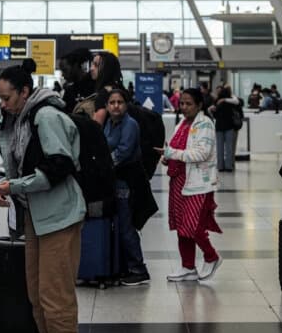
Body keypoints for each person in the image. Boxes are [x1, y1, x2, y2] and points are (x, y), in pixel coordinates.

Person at [0, 58, 86, 333]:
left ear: (25, 91)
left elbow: (59, 165)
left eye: (7, 97)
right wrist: (10, 189)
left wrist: (14, 187)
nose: (3, 104)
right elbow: (22, 167)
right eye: (0, 98)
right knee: (36, 289)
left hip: (60, 214)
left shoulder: (45, 116)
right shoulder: (20, 119)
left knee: (55, 290)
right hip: (37, 214)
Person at [159, 89, 222, 282]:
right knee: (181, 227)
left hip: (198, 184)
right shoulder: (182, 123)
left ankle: (211, 256)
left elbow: (200, 154)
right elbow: (175, 148)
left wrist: (172, 154)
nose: (184, 107)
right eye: (182, 104)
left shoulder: (205, 124)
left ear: (199, 105)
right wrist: (166, 157)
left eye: (189, 104)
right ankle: (188, 267)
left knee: (193, 226)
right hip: (179, 181)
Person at [102, 88, 150, 286]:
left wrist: (103, 165)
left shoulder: (130, 124)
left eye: (120, 102)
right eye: (112, 102)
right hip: (115, 181)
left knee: (126, 227)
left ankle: (138, 268)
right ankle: (125, 266)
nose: (115, 106)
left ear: (126, 104)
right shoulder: (109, 124)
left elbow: (122, 152)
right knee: (119, 225)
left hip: (128, 182)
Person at [80, 51, 125, 124]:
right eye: (91, 64)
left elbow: (97, 127)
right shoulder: (120, 90)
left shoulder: (103, 95)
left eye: (96, 65)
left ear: (106, 68)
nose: (91, 68)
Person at [210, 85, 242, 173]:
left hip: (219, 126)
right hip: (230, 127)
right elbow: (238, 103)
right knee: (229, 148)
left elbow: (215, 115)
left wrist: (212, 111)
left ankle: (220, 166)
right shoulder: (231, 102)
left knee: (219, 148)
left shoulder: (217, 101)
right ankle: (229, 167)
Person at [60, 48, 95, 112]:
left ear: (75, 66)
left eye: (65, 70)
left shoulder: (94, 85)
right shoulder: (69, 91)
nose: (62, 74)